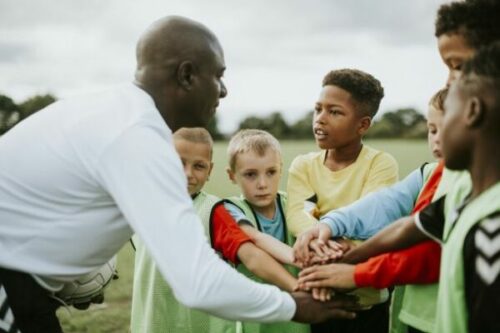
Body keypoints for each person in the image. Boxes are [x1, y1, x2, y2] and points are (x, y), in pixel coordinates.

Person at [0, 16, 358, 333]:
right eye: (218, 76)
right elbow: (197, 281)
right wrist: (296, 306)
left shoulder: (115, 112)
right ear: (187, 75)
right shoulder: (137, 136)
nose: (223, 90)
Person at [293, 1, 500, 332]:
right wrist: (333, 233)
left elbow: (436, 252)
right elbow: (407, 221)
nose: (448, 83)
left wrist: (355, 272)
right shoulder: (452, 179)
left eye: (457, 66)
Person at [131, 127, 304, 332]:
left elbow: (252, 256)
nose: (188, 174)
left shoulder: (214, 211)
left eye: (198, 166)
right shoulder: (139, 205)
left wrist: (299, 286)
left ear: (209, 171)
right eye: (179, 163)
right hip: (150, 323)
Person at [286, 68, 398, 333]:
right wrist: (334, 245)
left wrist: (328, 244)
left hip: (368, 304)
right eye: (318, 109)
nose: (320, 119)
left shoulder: (380, 164)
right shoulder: (303, 166)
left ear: (363, 125)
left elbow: (373, 219)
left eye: (334, 112)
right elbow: (299, 215)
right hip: (319, 299)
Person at [222, 129, 310, 333]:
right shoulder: (230, 209)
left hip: (299, 320)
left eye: (271, 172)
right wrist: (303, 259)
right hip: (256, 321)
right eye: (251, 174)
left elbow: (317, 227)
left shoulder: (295, 203)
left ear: (281, 169)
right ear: (232, 175)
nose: (262, 184)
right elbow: (256, 238)